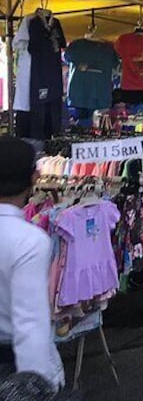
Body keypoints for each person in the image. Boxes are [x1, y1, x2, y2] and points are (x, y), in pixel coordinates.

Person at [0, 137, 64, 391]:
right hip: (10, 362)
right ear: (35, 178)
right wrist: (39, 387)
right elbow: (29, 323)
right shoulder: (30, 241)